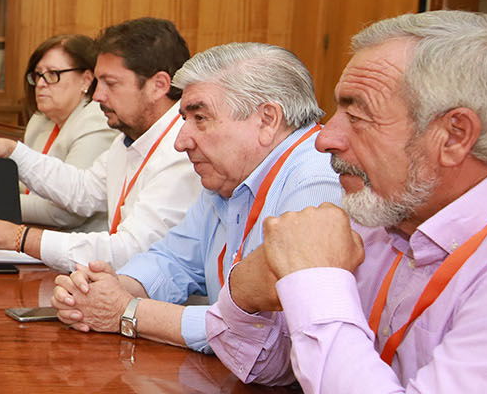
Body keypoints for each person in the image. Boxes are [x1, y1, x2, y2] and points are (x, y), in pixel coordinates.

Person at [209, 12, 487, 394]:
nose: (324, 138)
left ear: (454, 136)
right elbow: (262, 366)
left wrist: (314, 280)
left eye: (358, 114)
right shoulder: (390, 212)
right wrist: (247, 291)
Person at [50, 43, 341, 351]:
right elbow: (173, 260)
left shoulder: (317, 182)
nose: (180, 141)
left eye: (200, 118)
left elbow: (271, 338)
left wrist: (128, 311)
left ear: (267, 120)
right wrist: (101, 290)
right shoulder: (226, 177)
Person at [0, 17, 199, 270]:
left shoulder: (184, 151)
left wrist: (18, 237)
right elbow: (84, 191)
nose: (97, 95)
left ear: (159, 85)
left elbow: (130, 251)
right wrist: (15, 152)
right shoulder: (129, 139)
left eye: (111, 83)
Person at [18, 34, 118, 229]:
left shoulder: (96, 121)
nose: (40, 83)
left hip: (77, 247)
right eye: (38, 74)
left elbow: (66, 214)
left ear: (86, 80)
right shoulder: (40, 121)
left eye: (52, 74)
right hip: (32, 231)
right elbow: (23, 187)